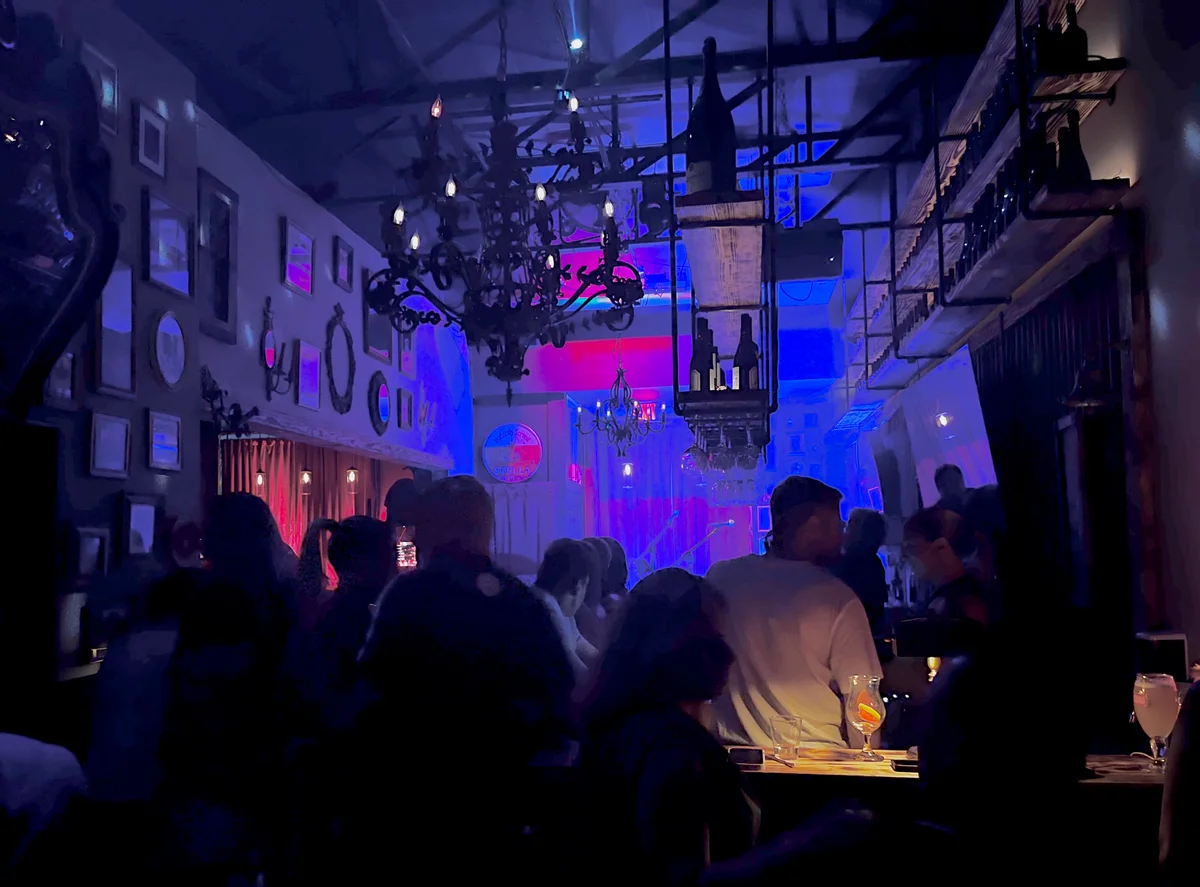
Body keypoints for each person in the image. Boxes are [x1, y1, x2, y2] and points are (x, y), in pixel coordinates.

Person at [346, 476, 574, 880]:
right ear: (486, 530)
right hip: (502, 808)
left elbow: (370, 693)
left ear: (433, 529)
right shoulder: (523, 603)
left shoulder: (409, 597)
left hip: (417, 806)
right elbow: (559, 708)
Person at [705, 477, 882, 748]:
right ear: (813, 525)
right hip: (817, 759)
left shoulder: (721, 578)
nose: (842, 532)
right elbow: (861, 698)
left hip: (735, 761)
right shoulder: (836, 597)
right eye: (838, 522)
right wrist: (865, 765)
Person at [902, 508, 989, 626]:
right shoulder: (950, 597)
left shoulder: (968, 603)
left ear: (941, 547)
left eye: (911, 547)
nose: (905, 557)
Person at [532, 538, 601, 681]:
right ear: (579, 585)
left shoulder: (558, 606)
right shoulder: (547, 610)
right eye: (586, 586)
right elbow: (576, 673)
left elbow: (581, 645)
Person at [835, 508, 889, 635]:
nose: (844, 529)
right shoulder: (874, 562)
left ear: (861, 530)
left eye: (849, 523)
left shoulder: (854, 562)